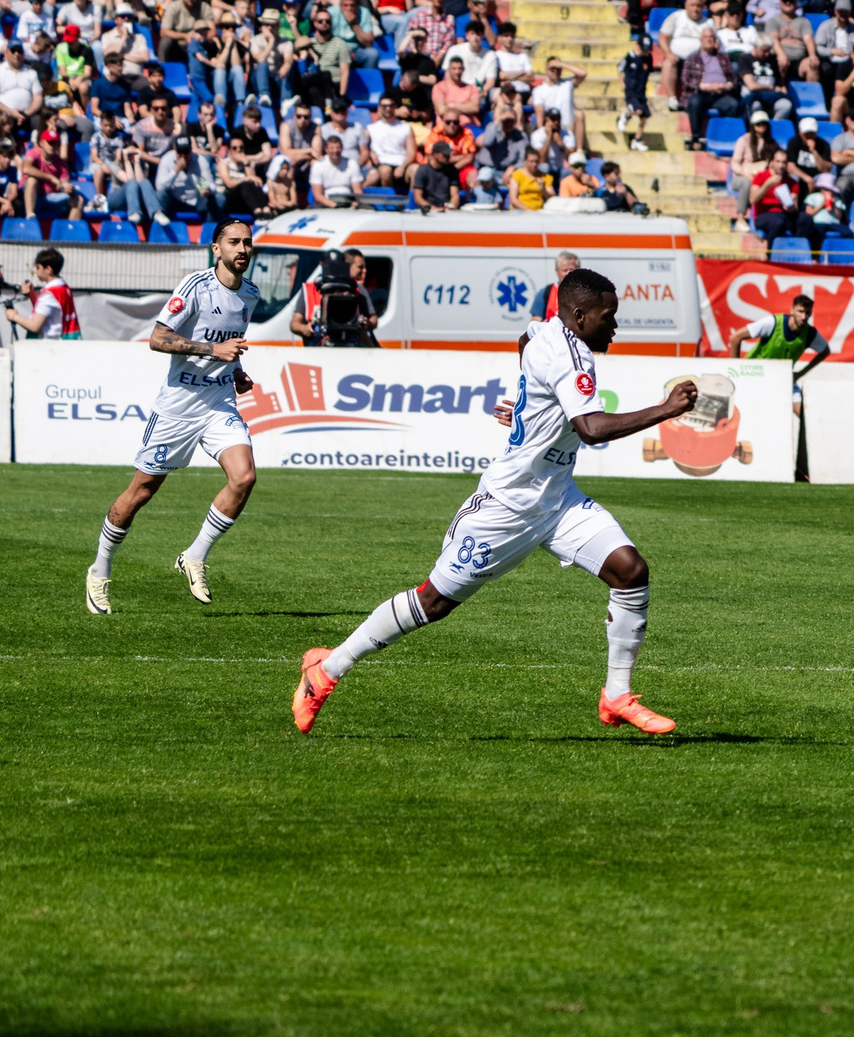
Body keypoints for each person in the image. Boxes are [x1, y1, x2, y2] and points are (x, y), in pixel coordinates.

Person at [292, 268, 695, 735]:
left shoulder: (548, 331)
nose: (616, 326)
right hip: (506, 507)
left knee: (630, 571)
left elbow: (526, 341)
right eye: (609, 317)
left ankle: (617, 696)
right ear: (581, 315)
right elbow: (592, 428)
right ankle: (325, 671)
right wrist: (666, 409)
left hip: (557, 501)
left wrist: (531, 408)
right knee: (433, 603)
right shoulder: (570, 354)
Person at [87, 219, 262, 614]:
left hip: (218, 404)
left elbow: (226, 347)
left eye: (247, 243)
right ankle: (100, 569)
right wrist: (211, 352)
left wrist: (235, 373)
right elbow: (157, 338)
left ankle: (195, 556)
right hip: (178, 407)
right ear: (216, 248)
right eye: (233, 242)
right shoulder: (195, 287)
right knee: (141, 493)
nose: (242, 249)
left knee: (245, 476)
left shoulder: (250, 294)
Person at [3, 247, 81, 340]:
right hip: (66, 341)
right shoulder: (63, 287)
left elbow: (34, 326)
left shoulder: (49, 294)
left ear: (48, 269)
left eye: (38, 268)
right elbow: (46, 313)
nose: (36, 271)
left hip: (50, 345)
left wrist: (13, 316)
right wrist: (32, 295)